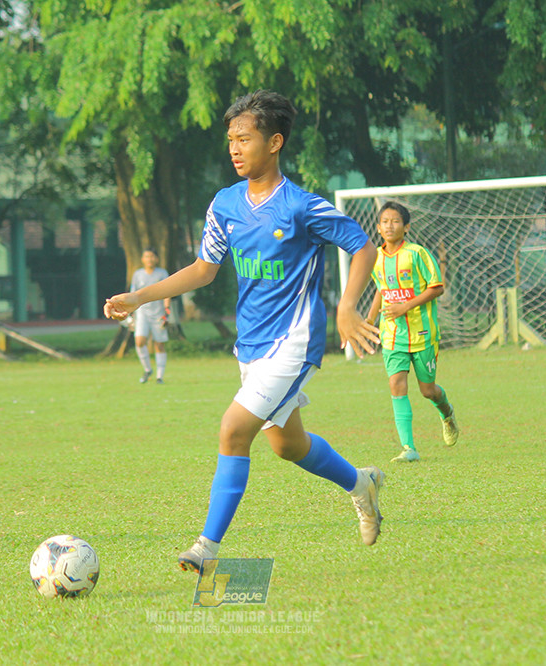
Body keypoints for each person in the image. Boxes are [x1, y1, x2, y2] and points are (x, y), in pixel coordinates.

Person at [104, 89, 384, 572]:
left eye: (244, 139)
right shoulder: (225, 204)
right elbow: (203, 269)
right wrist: (140, 297)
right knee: (287, 445)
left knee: (233, 430)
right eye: (230, 140)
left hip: (294, 342)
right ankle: (362, 484)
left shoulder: (301, 207)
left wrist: (347, 307)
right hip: (250, 346)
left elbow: (364, 248)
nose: (234, 149)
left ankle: (206, 549)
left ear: (274, 142)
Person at [365, 201, 460, 463]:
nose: (390, 226)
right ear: (378, 227)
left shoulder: (417, 254)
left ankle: (447, 412)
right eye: (385, 221)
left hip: (422, 333)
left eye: (395, 221)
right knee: (396, 384)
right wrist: (370, 319)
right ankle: (409, 448)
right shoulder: (375, 258)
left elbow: (437, 287)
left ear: (406, 227)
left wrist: (405, 306)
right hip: (392, 334)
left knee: (428, 390)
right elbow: (381, 290)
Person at [130, 248, 171, 384]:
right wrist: (131, 314)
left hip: (158, 312)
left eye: (152, 256)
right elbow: (133, 294)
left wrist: (167, 311)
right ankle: (147, 369)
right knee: (139, 341)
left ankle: (159, 376)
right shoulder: (138, 274)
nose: (149, 259)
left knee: (159, 344)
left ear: (157, 259)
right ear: (142, 259)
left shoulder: (162, 273)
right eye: (147, 256)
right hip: (142, 312)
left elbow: (168, 292)